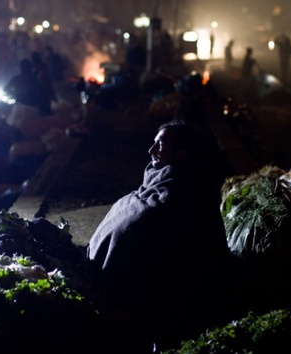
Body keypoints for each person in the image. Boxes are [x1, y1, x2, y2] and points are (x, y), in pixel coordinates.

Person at [86, 120, 232, 351]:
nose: (151, 151)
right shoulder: (154, 186)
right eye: (154, 143)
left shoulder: (185, 196)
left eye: (160, 145)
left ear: (181, 153)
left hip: (170, 299)